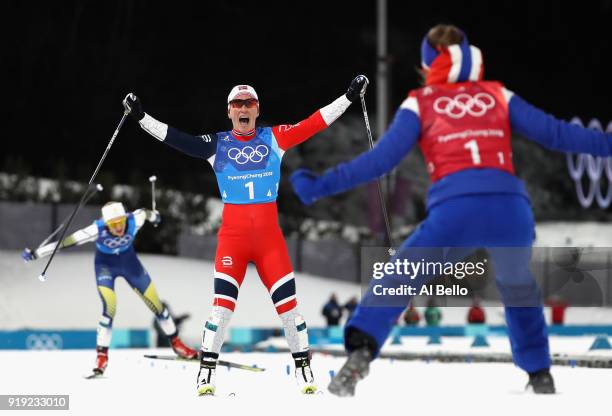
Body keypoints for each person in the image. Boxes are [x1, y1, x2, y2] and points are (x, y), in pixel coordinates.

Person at [291, 24, 612, 396]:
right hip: (510, 210)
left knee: (401, 274)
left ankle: (361, 353)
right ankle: (540, 374)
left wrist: (319, 186)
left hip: (455, 212)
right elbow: (558, 134)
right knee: (518, 287)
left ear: (428, 67)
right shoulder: (497, 95)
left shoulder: (420, 102)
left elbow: (380, 162)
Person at [122, 75, 368, 395]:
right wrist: (142, 118)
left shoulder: (274, 138)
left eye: (248, 103)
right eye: (237, 104)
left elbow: (315, 122)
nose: (243, 108)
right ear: (228, 111)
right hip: (233, 242)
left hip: (269, 243)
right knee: (221, 310)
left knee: (290, 309)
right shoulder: (216, 144)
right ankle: (205, 375)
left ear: (256, 109)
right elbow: (176, 138)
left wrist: (348, 97)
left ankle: (304, 372)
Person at [21, 202, 196, 376]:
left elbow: (146, 212)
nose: (118, 227)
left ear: (125, 218)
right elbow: (65, 243)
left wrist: (155, 216)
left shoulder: (135, 218)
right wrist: (37, 253)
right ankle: (102, 356)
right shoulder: (96, 229)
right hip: (106, 267)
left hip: (130, 264)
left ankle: (177, 344)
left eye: (120, 222)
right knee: (110, 307)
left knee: (157, 306)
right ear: (106, 223)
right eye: (113, 224)